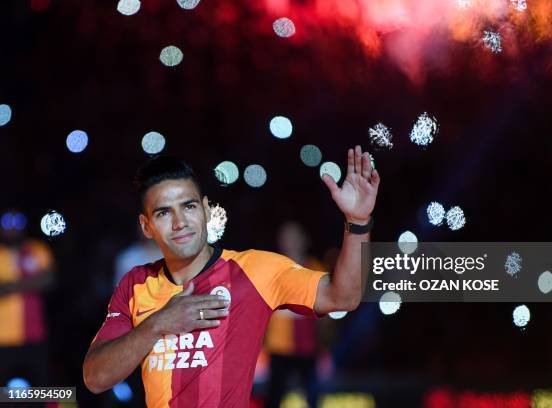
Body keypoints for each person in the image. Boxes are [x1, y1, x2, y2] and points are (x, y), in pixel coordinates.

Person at [83, 145, 380, 408]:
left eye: (188, 206)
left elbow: (344, 296)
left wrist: (357, 223)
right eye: (163, 213)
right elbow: (95, 378)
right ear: (146, 226)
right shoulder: (136, 283)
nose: (179, 223)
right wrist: (158, 323)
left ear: (207, 210)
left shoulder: (253, 270)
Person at [264, 221, 326, 408]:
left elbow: (327, 311)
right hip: (278, 347)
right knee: (274, 397)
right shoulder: (272, 269)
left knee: (313, 397)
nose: (289, 241)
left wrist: (325, 342)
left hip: (308, 347)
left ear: (304, 239)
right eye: (285, 237)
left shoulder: (316, 268)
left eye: (294, 236)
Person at [0, 211, 55, 387]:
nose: (13, 229)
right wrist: (30, 283)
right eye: (8, 224)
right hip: (3, 337)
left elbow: (48, 279)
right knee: (4, 392)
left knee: (39, 388)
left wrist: (11, 287)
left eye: (17, 224)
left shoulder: (37, 249)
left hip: (35, 334)